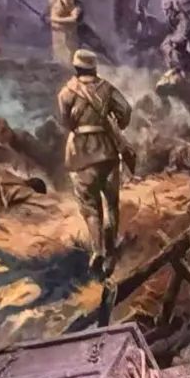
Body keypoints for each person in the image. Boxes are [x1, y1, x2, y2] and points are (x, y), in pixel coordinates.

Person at [57, 47, 133, 275]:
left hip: (80, 155)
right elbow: (126, 110)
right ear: (94, 67)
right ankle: (110, 253)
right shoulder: (107, 89)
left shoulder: (66, 93)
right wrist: (118, 125)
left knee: (90, 207)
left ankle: (97, 251)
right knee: (111, 204)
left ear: (76, 67)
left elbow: (66, 123)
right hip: (107, 152)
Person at [156, 3, 190, 137]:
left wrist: (173, 39)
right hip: (185, 85)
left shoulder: (170, 53)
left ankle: (169, 112)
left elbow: (164, 45)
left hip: (178, 83)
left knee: (160, 89)